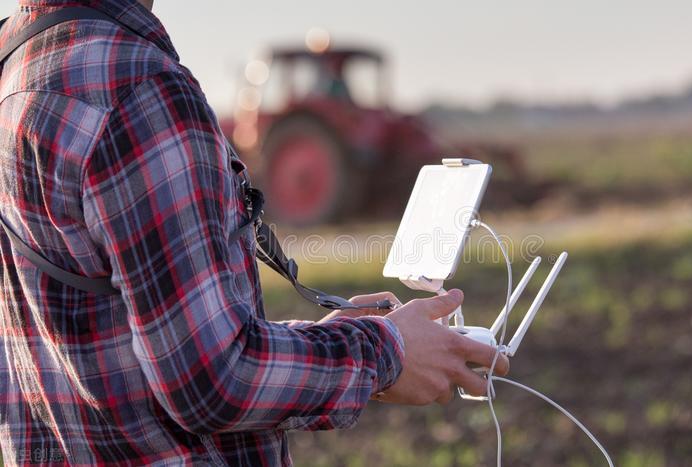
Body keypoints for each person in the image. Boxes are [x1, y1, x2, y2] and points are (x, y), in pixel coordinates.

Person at [0, 1, 509, 465]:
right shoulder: (135, 88)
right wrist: (387, 350)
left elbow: (119, 339)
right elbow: (212, 382)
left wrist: (331, 337)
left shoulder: (16, 67)